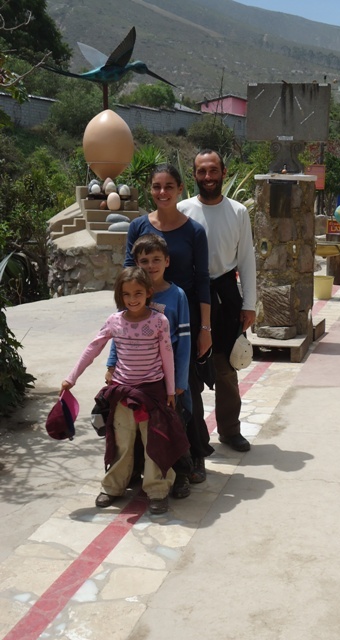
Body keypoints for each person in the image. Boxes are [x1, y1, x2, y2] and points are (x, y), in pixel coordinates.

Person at [61, 267, 189, 515]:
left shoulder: (159, 321)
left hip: (153, 394)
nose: (133, 299)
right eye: (127, 294)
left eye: (138, 293)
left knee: (156, 444)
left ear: (149, 293)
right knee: (121, 443)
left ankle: (158, 490)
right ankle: (112, 487)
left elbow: (167, 357)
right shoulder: (114, 321)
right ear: (120, 295)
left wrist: (171, 391)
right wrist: (71, 377)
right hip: (122, 394)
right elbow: (93, 348)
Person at [124, 163, 214, 489]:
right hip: (143, 326)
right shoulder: (136, 226)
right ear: (150, 189)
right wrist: (127, 324)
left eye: (169, 186)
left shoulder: (194, 232)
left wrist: (205, 329)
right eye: (156, 186)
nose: (162, 192)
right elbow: (127, 277)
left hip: (183, 322)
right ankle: (141, 464)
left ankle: (194, 457)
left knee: (185, 390)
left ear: (179, 189)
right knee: (143, 394)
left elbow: (203, 280)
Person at [177, 149, 256, 453]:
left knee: (226, 367)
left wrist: (249, 304)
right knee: (190, 368)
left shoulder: (238, 211)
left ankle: (230, 430)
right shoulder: (182, 209)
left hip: (226, 295)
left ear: (224, 172)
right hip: (190, 295)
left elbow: (247, 258)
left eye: (213, 171)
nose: (207, 177)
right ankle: (195, 435)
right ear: (193, 175)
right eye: (201, 171)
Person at [106, 234, 193, 499]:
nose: (151, 266)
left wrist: (178, 382)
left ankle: (179, 475)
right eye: (144, 261)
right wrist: (111, 364)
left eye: (156, 260)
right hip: (134, 380)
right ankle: (131, 475)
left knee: (173, 426)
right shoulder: (131, 294)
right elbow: (120, 333)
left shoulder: (177, 295)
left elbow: (184, 343)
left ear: (166, 261)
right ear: (136, 263)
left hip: (167, 378)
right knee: (133, 430)